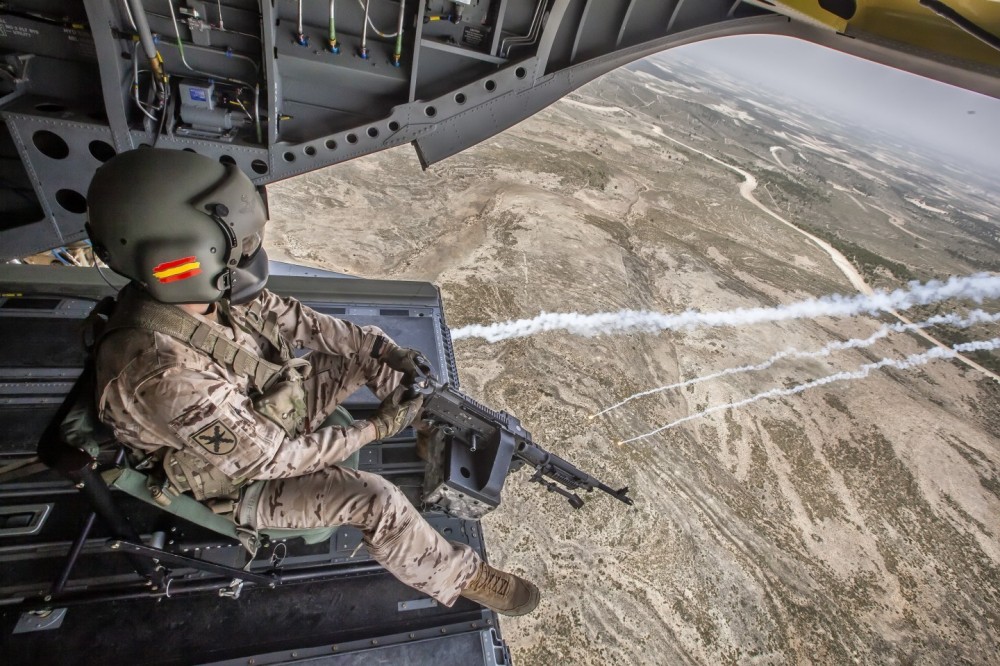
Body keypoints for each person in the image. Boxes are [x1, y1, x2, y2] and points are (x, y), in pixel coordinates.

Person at [85, 148, 539, 616]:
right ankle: (460, 576)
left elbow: (291, 318)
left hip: (266, 413)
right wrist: (377, 428)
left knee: (368, 348)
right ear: (184, 256)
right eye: (236, 247)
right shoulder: (162, 373)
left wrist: (383, 351)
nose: (247, 255)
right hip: (241, 480)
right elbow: (279, 460)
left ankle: (428, 437)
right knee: (378, 500)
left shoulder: (198, 294)